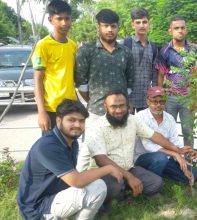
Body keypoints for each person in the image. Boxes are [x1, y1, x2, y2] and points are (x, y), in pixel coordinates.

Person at [78, 90, 189, 211]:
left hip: (129, 168)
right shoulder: (96, 127)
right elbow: (101, 159)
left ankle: (126, 192)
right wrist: (129, 177)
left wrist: (176, 149)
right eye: (114, 106)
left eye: (122, 105)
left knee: (156, 183)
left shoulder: (132, 120)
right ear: (106, 107)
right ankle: (116, 197)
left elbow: (154, 136)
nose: (119, 110)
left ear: (128, 105)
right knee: (116, 185)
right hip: (104, 173)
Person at [17, 99, 123, 220]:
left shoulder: (71, 142)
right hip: (38, 207)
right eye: (71, 120)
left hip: (55, 196)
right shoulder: (48, 146)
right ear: (58, 121)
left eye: (81, 121)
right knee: (98, 186)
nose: (77, 125)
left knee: (106, 181)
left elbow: (74, 176)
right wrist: (108, 168)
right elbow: (76, 181)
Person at [75, 9, 134, 120]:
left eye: (113, 26)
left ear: (117, 27)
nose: (110, 30)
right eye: (105, 26)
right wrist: (93, 100)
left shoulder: (126, 52)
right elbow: (81, 83)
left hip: (121, 112)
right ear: (98, 26)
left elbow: (130, 82)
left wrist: (125, 103)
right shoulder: (86, 51)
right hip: (96, 112)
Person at [134, 86, 197, 184]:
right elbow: (148, 146)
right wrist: (176, 154)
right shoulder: (140, 116)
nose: (158, 105)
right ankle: (152, 183)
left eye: (162, 102)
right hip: (143, 157)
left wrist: (184, 151)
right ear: (148, 101)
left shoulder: (169, 118)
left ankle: (160, 173)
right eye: (154, 101)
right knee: (160, 158)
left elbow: (175, 142)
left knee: (194, 174)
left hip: (165, 158)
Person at [33, 0, 78, 132]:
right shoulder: (43, 46)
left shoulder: (73, 45)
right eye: (59, 19)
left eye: (67, 18)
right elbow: (38, 80)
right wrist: (41, 112)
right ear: (50, 20)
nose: (64, 23)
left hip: (70, 107)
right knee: (51, 149)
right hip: (51, 109)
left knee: (71, 147)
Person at [156, 15, 197, 146]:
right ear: (170, 31)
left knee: (188, 132)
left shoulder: (194, 50)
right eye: (176, 28)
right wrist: (161, 99)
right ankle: (169, 161)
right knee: (166, 131)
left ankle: (188, 163)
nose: (180, 30)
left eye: (182, 28)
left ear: (186, 30)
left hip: (188, 98)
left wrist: (196, 100)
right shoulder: (164, 51)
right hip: (170, 98)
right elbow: (160, 76)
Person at [123, 8, 159, 112]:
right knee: (127, 127)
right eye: (138, 22)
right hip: (127, 98)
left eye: (144, 22)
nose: (142, 25)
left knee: (144, 128)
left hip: (145, 99)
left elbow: (154, 75)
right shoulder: (125, 44)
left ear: (149, 24)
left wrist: (155, 96)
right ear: (133, 25)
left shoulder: (153, 47)